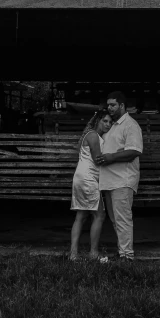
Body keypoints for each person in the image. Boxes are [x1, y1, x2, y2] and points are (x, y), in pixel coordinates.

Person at [96, 91, 143, 261]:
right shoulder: (111, 125)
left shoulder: (130, 125)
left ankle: (127, 256)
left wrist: (112, 157)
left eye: (113, 105)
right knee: (115, 219)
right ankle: (122, 252)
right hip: (109, 180)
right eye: (108, 105)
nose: (110, 108)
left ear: (122, 106)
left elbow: (134, 151)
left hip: (123, 180)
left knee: (123, 219)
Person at [69, 110, 112, 261]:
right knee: (99, 215)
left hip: (81, 177)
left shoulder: (91, 135)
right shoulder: (93, 135)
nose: (108, 124)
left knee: (81, 216)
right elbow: (97, 160)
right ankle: (93, 252)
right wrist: (115, 157)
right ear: (97, 121)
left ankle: (73, 254)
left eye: (110, 122)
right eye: (105, 121)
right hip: (88, 178)